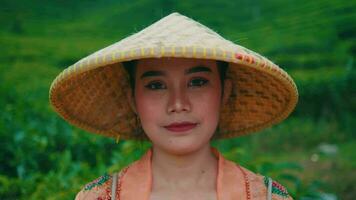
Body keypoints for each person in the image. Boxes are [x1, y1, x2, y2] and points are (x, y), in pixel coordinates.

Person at [49, 12, 298, 200]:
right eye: (156, 85)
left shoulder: (267, 196)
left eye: (197, 82)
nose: (178, 104)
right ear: (132, 99)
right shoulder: (99, 197)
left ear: (225, 93)